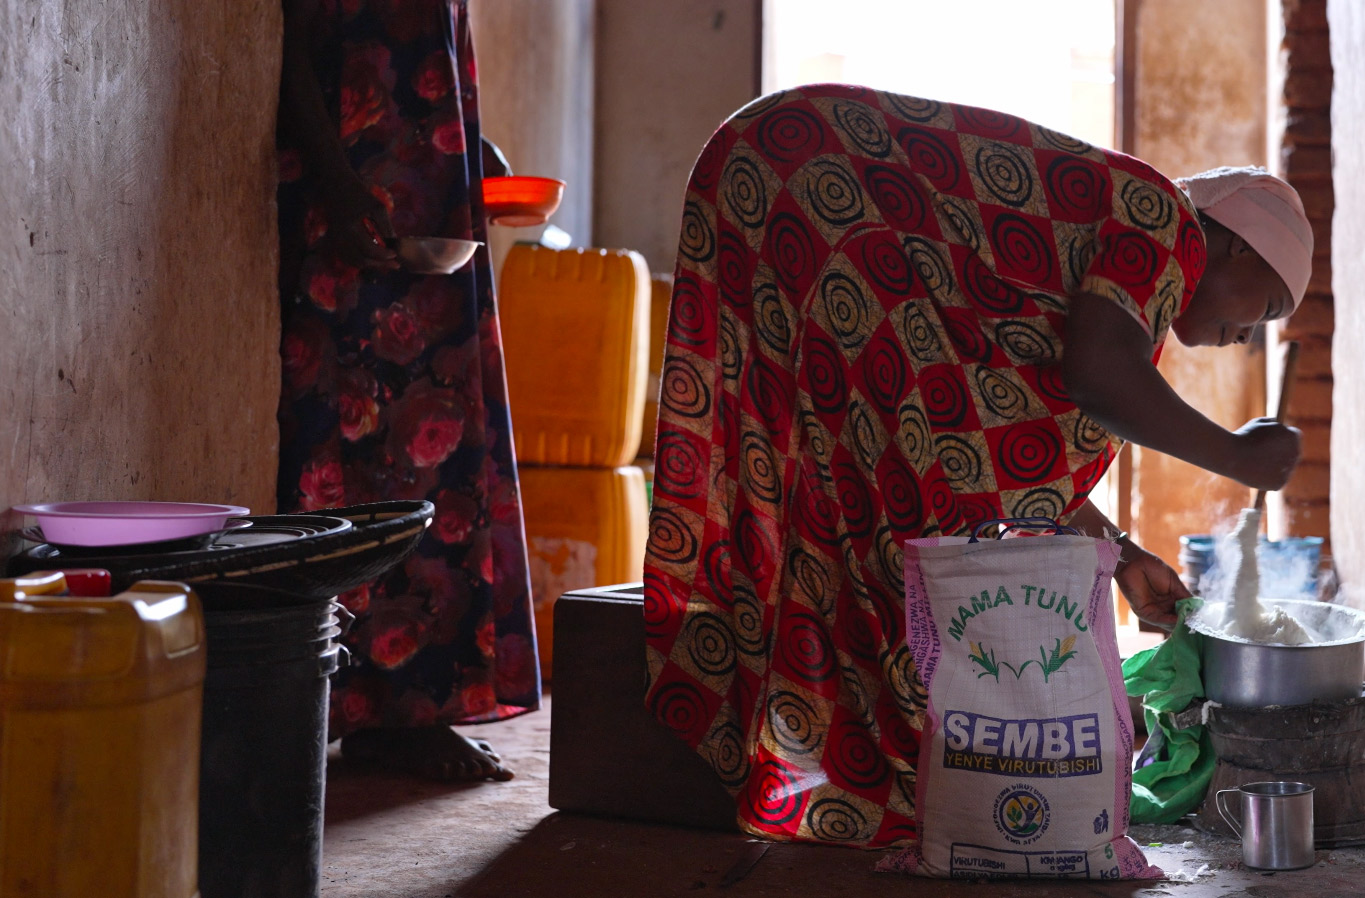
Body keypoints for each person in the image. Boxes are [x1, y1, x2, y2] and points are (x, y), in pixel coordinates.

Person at [643, 84, 1310, 844]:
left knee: (891, 498)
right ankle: (869, 776)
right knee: (907, 527)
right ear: (1232, 243)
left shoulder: (1115, 271)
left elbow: (1003, 449)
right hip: (815, 181)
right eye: (1262, 310)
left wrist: (1119, 554)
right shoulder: (1161, 221)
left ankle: (842, 769)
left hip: (786, 170)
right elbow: (1100, 378)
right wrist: (1235, 455)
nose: (1243, 337)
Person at [276, 0, 539, 781]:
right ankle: (378, 711)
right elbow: (291, 48)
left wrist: (470, 152)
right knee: (362, 453)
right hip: (355, 212)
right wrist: (337, 177)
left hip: (425, 214)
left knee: (439, 455)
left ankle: (416, 708)